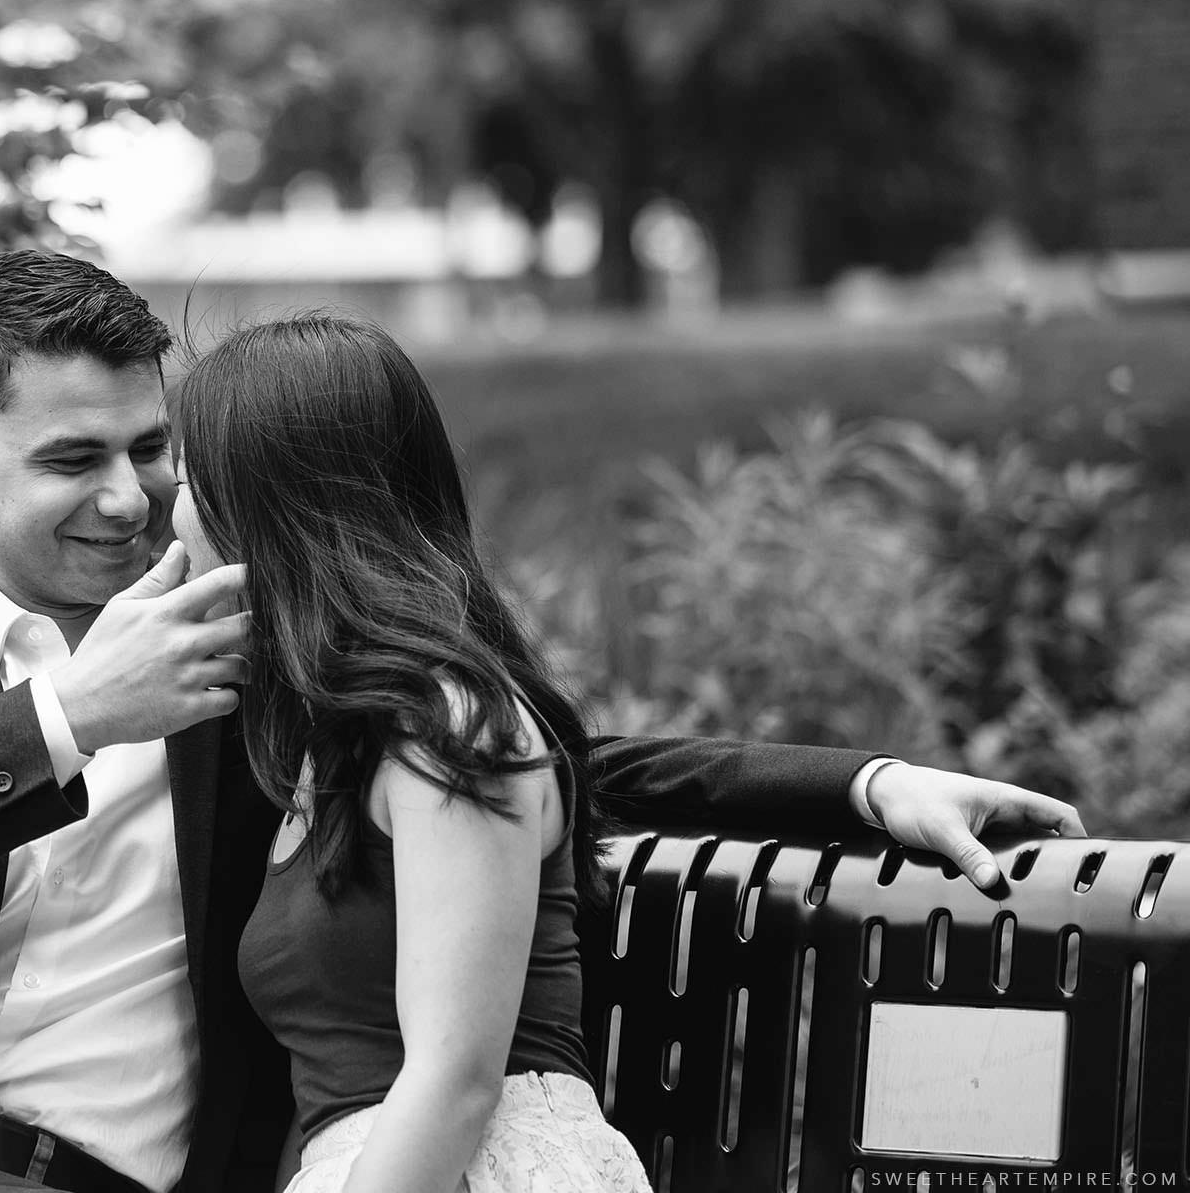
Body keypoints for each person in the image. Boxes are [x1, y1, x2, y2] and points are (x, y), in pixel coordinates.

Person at [0, 253, 1081, 1193]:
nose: (127, 498)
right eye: (71, 461)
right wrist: (68, 716)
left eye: (151, 451)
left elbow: (505, 749)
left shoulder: (269, 675)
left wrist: (867, 785)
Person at [167, 312, 1087, 1193]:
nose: (166, 519)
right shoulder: (322, 744)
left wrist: (873, 784)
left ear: (270, 513)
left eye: (186, 485)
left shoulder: (448, 730)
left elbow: (453, 1084)